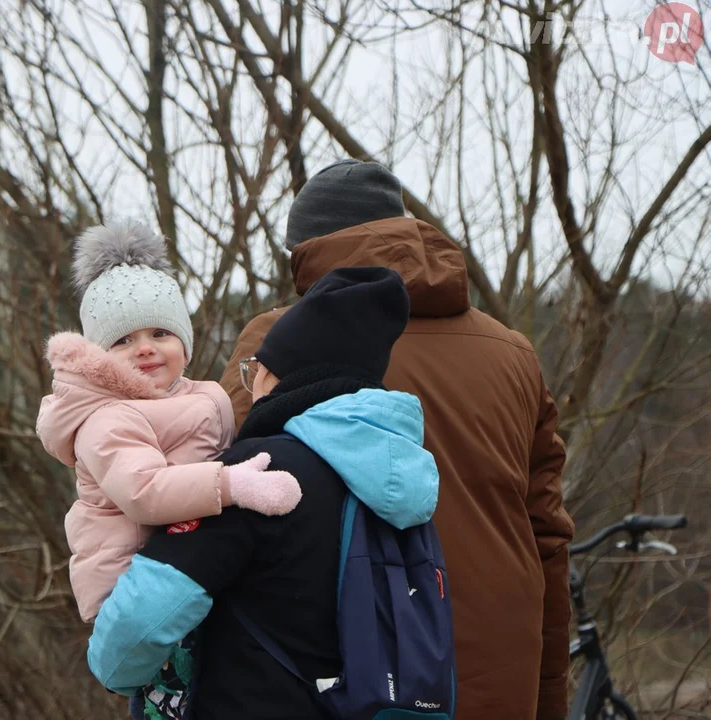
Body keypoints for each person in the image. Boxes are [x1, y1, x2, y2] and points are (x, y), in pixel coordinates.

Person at [218, 159, 575, 720]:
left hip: (356, 678)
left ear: (305, 250)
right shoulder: (513, 354)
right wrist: (549, 697)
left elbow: (214, 494)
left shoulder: (276, 345)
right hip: (502, 676)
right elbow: (547, 538)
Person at [87, 266, 442, 719]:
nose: (251, 383)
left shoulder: (258, 472)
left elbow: (134, 631)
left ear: (281, 375)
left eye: (255, 369)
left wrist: (110, 665)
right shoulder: (402, 476)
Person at [35, 220, 302, 719]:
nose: (145, 348)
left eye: (160, 332)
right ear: (99, 359)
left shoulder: (202, 396)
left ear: (184, 339)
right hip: (136, 581)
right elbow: (144, 491)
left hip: (190, 562)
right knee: (176, 698)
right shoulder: (105, 418)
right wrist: (233, 485)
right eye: (123, 340)